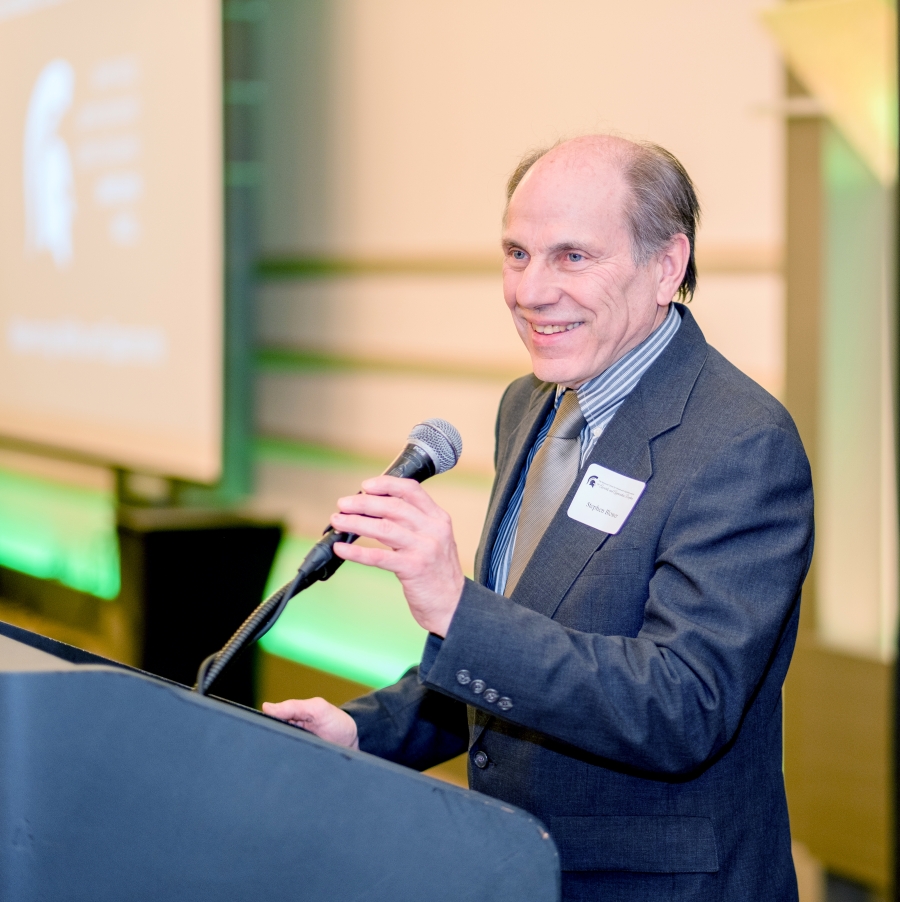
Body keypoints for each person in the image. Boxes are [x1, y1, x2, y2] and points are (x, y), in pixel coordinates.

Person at [264, 135, 814, 901]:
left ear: (667, 265)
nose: (531, 290)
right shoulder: (528, 406)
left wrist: (456, 606)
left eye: (572, 258)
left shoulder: (741, 443)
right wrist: (367, 731)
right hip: (520, 866)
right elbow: (523, 650)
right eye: (517, 253)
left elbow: (683, 705)